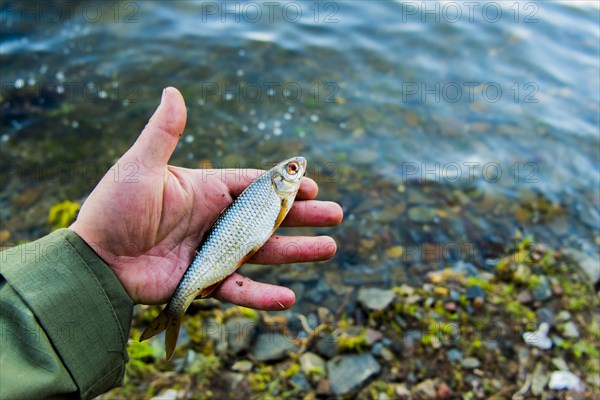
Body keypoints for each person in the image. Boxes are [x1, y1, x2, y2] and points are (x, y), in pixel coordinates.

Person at [0, 87, 343, 399]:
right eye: (294, 168)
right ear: (282, 178)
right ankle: (173, 314)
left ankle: (171, 316)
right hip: (219, 253)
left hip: (224, 251)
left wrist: (92, 256)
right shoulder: (272, 192)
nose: (298, 172)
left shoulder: (275, 194)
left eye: (294, 168)